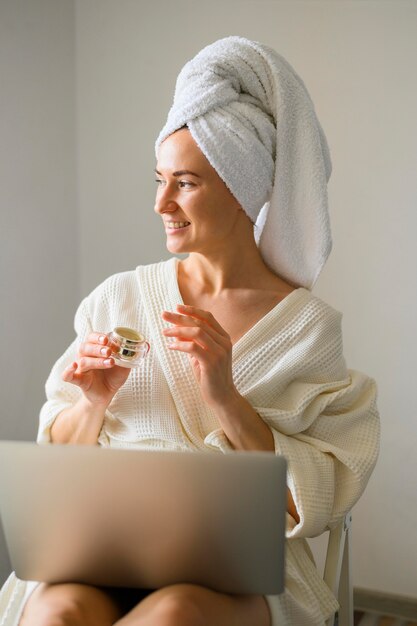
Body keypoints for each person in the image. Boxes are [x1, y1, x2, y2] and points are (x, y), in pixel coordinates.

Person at [0, 36, 379, 626]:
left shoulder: (305, 329)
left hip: (231, 574)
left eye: (186, 183)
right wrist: (94, 403)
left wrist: (225, 396)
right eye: (159, 179)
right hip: (105, 551)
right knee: (57, 611)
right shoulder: (118, 297)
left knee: (174, 614)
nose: (161, 203)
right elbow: (60, 465)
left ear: (242, 189)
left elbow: (321, 493)